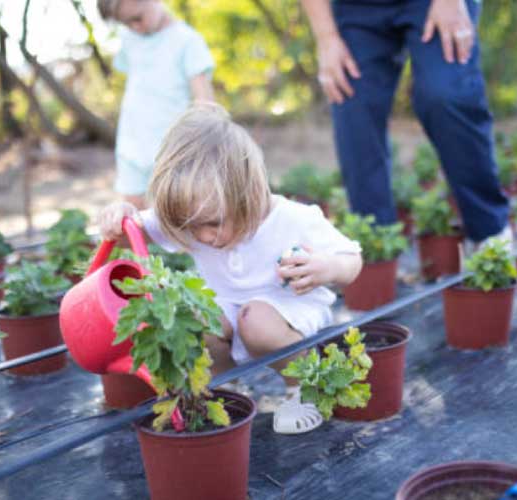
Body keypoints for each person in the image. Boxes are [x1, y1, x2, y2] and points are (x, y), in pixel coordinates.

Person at [98, 104, 363, 434]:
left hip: (289, 311)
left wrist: (326, 267)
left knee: (257, 322)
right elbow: (129, 235)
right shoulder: (197, 217)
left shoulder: (294, 218)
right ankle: (224, 387)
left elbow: (352, 260)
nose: (200, 237)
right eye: (187, 227)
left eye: (212, 224)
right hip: (228, 309)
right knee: (193, 318)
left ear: (249, 195)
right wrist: (118, 216)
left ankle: (304, 387)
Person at [301, 0, 511, 247]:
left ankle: (489, 232)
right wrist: (326, 38)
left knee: (444, 95)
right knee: (352, 103)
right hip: (356, 8)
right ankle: (375, 247)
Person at [97, 0, 215, 209]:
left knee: (175, 219)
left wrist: (203, 146)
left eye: (137, 18)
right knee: (134, 219)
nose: (134, 27)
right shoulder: (129, 39)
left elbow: (205, 102)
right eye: (125, 23)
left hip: (173, 151)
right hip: (132, 145)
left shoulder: (187, 41)